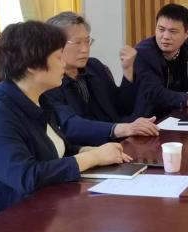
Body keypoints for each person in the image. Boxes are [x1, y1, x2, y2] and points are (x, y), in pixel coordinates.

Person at [0, 21, 132, 231]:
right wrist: (93, 158)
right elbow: (27, 176)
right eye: (58, 57)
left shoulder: (37, 97)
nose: (63, 64)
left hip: (38, 212)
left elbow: (54, 148)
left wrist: (86, 150)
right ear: (32, 66)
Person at [43, 12, 159, 146]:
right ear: (55, 45)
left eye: (87, 41)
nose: (85, 49)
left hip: (119, 141)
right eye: (77, 43)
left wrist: (128, 70)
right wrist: (120, 129)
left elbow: (122, 107)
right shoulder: (48, 81)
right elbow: (70, 126)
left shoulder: (94, 66)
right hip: (86, 150)